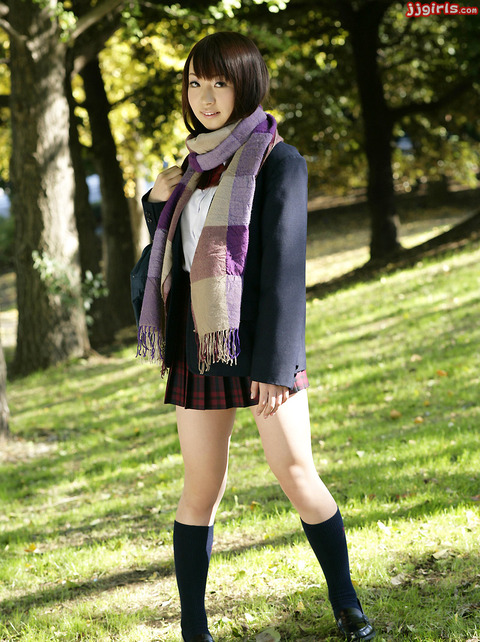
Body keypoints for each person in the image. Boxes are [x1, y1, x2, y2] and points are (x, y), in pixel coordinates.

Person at [136, 31, 376, 642]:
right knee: (201, 488)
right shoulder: (186, 171)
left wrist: (275, 365)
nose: (206, 97)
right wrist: (154, 203)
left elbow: (285, 272)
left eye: (220, 82)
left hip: (261, 343)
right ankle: (195, 629)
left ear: (246, 85)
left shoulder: (278, 160)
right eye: (195, 82)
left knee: (296, 472)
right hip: (199, 343)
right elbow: (169, 261)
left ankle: (347, 604)